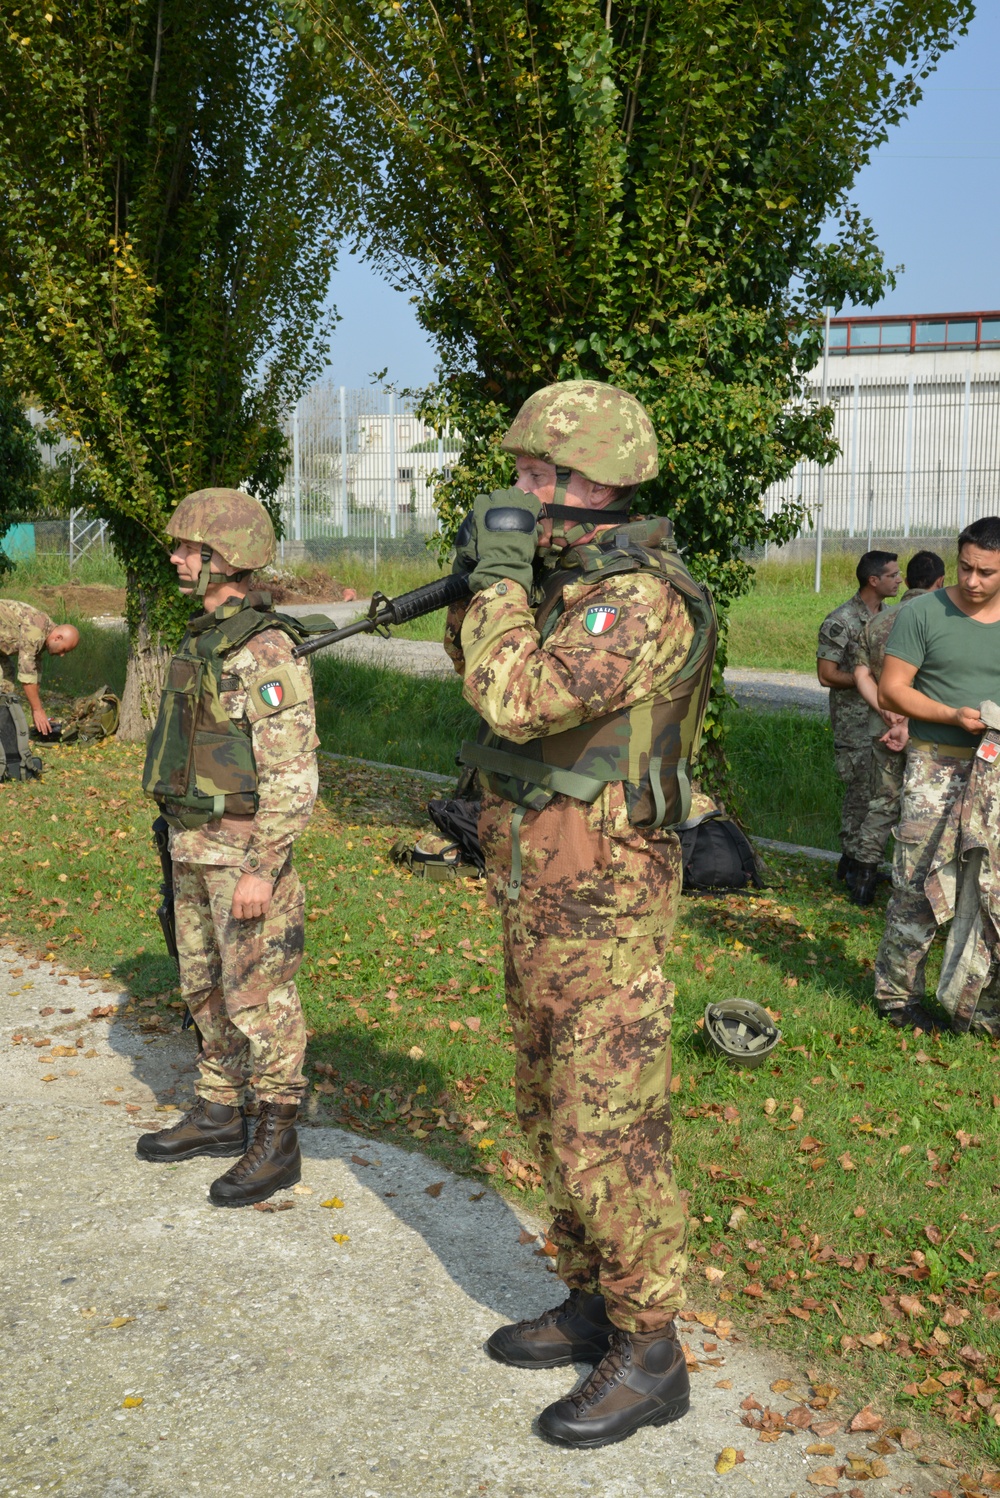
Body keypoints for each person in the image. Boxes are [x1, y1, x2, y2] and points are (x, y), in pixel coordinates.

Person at [445, 380, 717, 1449]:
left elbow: (521, 697)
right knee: (547, 1098)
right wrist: (487, 588)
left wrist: (504, 576)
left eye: (534, 475)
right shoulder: (574, 582)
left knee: (606, 1121)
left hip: (603, 902)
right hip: (544, 888)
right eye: (517, 471)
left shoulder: (636, 599)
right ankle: (596, 1297)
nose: (516, 490)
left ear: (591, 481)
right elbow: (479, 676)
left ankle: (649, 1350)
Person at [136, 488, 319, 1206]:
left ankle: (277, 1136)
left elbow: (294, 775)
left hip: (241, 852)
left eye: (190, 548)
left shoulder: (265, 650)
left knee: (259, 995)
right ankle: (219, 1108)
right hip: (192, 843)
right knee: (203, 986)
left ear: (227, 558)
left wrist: (262, 869)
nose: (177, 557)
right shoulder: (205, 637)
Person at [874, 517, 1000, 1029]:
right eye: (966, 568)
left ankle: (981, 1005)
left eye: (987, 573)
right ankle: (898, 998)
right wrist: (951, 715)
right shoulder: (924, 612)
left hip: (996, 770)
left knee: (992, 886)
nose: (972, 581)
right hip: (937, 764)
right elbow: (891, 689)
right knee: (918, 879)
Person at [849, 551, 946, 906]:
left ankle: (863, 880)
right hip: (927, 729)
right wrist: (906, 716)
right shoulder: (940, 618)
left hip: (881, 725)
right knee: (926, 807)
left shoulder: (877, 623)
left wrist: (886, 709)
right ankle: (918, 888)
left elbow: (860, 675)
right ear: (940, 581)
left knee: (883, 802)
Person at [816, 551, 901, 886]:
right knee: (858, 794)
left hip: (882, 720)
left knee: (880, 792)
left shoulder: (891, 618)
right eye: (893, 575)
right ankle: (852, 864)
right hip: (854, 722)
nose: (899, 580)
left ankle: (862, 862)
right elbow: (826, 675)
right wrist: (866, 680)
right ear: (873, 580)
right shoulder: (842, 621)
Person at [0, 599, 79, 734]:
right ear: (58, 638)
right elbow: (26, 672)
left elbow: (35, 673)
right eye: (64, 650)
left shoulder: (45, 635)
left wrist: (35, 707)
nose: (62, 655)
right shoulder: (36, 630)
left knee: (6, 679)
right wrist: (37, 710)